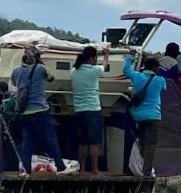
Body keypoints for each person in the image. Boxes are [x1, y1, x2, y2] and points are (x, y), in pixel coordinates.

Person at [11, 49, 77, 176]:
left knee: (27, 141)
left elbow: (14, 83)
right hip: (40, 110)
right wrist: (41, 64)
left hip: (24, 111)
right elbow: (51, 78)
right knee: (50, 139)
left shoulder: (16, 71)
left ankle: (26, 170)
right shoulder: (41, 68)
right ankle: (61, 168)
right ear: (36, 58)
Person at [123, 50, 167, 176]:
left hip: (138, 116)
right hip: (153, 116)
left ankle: (139, 167)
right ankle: (146, 172)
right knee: (151, 144)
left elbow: (126, 70)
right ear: (154, 67)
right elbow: (164, 89)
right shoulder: (160, 80)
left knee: (141, 142)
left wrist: (131, 56)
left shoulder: (137, 76)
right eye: (157, 66)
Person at [70, 46, 109, 175]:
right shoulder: (95, 70)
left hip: (79, 110)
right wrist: (106, 54)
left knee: (81, 142)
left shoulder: (73, 72)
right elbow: (105, 66)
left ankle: (81, 169)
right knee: (93, 142)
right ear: (92, 58)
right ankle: (94, 169)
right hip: (93, 110)